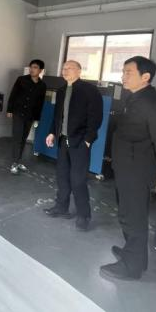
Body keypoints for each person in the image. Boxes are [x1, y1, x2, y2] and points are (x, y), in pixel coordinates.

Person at [100, 56, 156, 281]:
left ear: (145, 77)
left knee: (133, 217)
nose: (123, 76)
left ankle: (131, 267)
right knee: (127, 213)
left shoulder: (151, 103)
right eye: (123, 72)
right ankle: (134, 255)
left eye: (128, 72)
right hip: (127, 167)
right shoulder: (135, 98)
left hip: (137, 170)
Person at [44, 60, 103, 231]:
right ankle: (61, 207)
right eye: (63, 68)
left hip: (80, 142)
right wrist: (52, 132)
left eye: (69, 68)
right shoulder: (61, 90)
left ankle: (84, 216)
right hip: (63, 140)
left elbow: (96, 117)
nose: (65, 70)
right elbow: (57, 116)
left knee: (78, 180)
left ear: (79, 71)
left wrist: (88, 139)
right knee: (62, 176)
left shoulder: (89, 90)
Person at [6, 59, 46, 175]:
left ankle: (18, 161)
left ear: (40, 70)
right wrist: (9, 109)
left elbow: (40, 103)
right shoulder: (21, 80)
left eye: (35, 67)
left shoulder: (42, 85)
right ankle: (15, 162)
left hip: (30, 115)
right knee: (17, 138)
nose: (32, 69)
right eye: (31, 67)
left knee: (23, 138)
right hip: (18, 112)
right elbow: (13, 94)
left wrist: (37, 118)